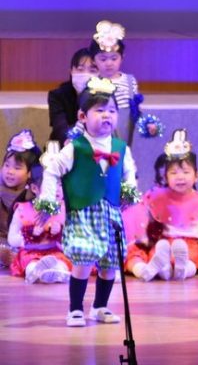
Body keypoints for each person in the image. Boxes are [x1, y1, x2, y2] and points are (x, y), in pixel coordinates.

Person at [37, 76, 138, 327]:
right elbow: (52, 170)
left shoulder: (120, 147)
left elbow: (130, 172)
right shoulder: (75, 147)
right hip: (83, 213)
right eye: (100, 110)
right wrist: (48, 201)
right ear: (82, 116)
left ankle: (100, 307)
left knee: (110, 262)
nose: (107, 115)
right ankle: (75, 309)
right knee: (83, 259)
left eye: (112, 111)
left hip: (110, 213)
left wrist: (129, 190)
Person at [123, 129, 198, 281]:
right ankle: (163, 269)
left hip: (191, 244)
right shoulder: (158, 197)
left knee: (193, 259)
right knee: (157, 253)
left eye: (185, 172)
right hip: (165, 243)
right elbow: (142, 212)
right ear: (166, 177)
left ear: (196, 176)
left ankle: (183, 269)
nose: (180, 177)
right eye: (174, 173)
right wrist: (144, 234)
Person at [8, 142, 71, 284]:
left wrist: (61, 232)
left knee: (61, 261)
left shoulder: (64, 209)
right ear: (35, 189)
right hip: (31, 252)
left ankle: (58, 273)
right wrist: (29, 236)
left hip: (55, 252)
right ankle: (34, 272)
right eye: (51, 185)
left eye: (60, 184)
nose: (57, 189)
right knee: (30, 263)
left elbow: (72, 237)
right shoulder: (23, 210)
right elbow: (12, 238)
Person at [89, 20, 142, 146]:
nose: (109, 63)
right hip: (101, 133)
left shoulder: (130, 81)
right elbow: (87, 112)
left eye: (114, 58)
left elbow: (136, 110)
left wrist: (147, 125)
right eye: (103, 59)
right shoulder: (92, 83)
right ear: (93, 60)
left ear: (122, 57)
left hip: (126, 130)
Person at [0, 130, 42, 267]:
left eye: (17, 168)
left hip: (30, 244)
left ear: (30, 173)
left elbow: (56, 212)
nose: (9, 171)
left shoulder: (36, 193)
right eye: (6, 165)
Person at [47, 48, 98, 145]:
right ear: (71, 71)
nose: (86, 74)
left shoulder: (103, 96)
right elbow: (59, 126)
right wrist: (70, 142)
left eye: (92, 70)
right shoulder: (58, 95)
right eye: (80, 69)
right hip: (64, 145)